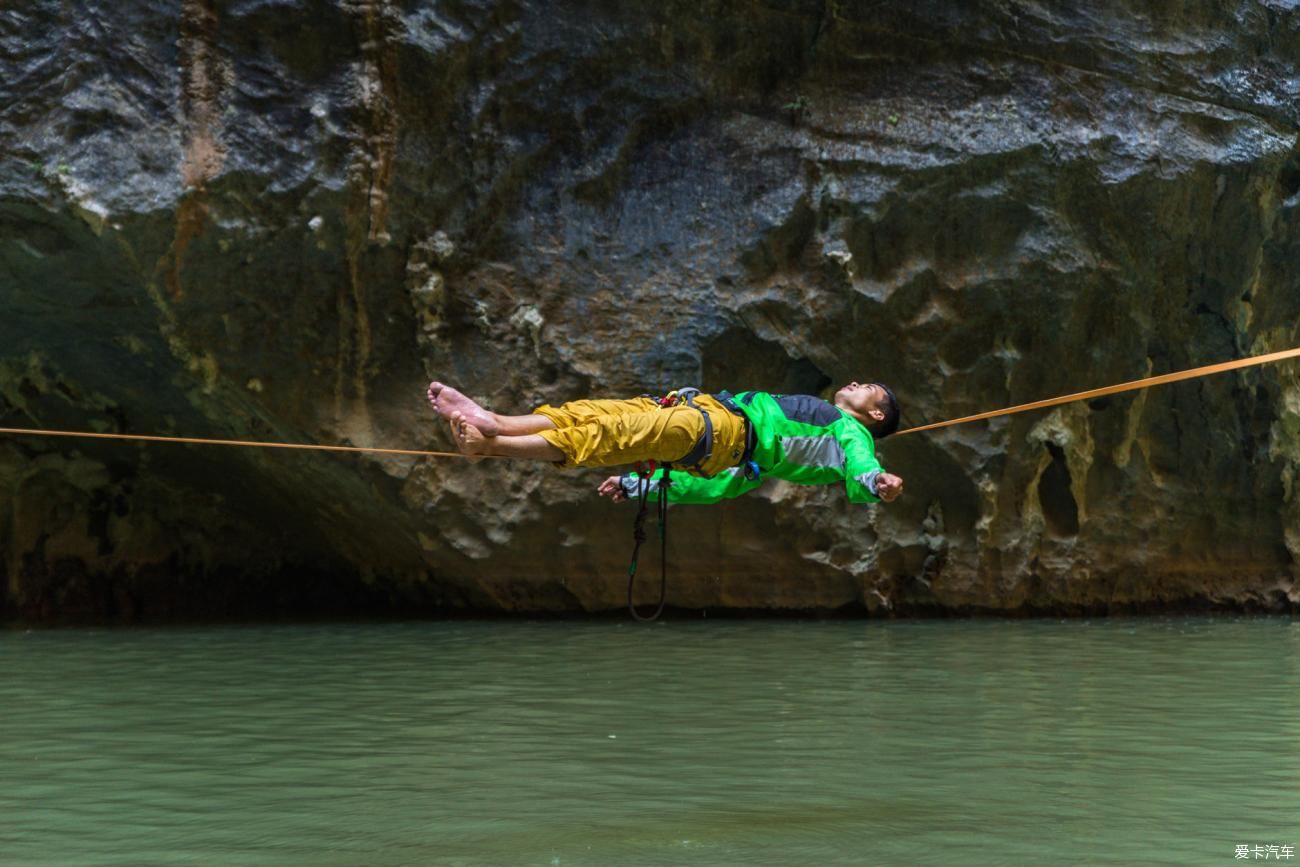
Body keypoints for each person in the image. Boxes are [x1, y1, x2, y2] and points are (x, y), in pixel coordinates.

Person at [427, 380, 904, 505]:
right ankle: (496, 422)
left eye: (870, 389)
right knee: (595, 412)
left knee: (614, 436)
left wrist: (874, 479)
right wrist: (642, 486)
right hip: (702, 413)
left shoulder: (851, 433)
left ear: (875, 413)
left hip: (724, 434)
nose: (858, 383)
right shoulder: (808, 432)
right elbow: (718, 486)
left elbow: (860, 462)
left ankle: (494, 446)